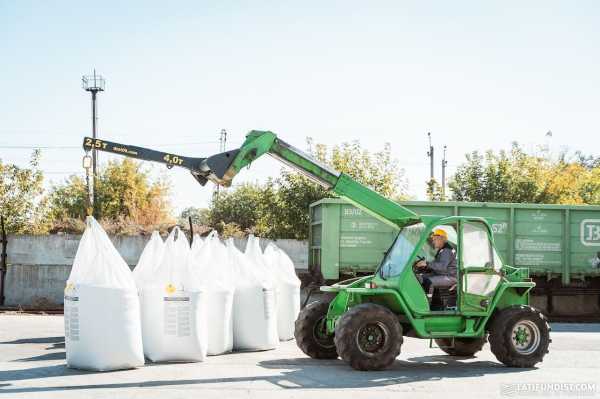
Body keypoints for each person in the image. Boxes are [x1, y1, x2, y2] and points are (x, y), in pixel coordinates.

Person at [414, 228, 457, 294]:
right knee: (419, 277)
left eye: (435, 239)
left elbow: (442, 267)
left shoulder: (446, 250)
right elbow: (437, 264)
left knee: (428, 281)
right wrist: (426, 265)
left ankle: (427, 302)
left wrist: (427, 264)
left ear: (442, 239)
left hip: (450, 276)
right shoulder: (442, 250)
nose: (433, 242)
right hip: (441, 274)